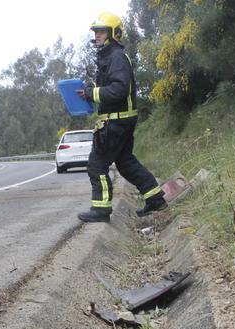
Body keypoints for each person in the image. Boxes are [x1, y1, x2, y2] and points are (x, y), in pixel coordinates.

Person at [76, 12, 168, 223]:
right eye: (96, 31)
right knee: (125, 163)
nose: (97, 35)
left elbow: (118, 89)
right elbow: (112, 88)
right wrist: (92, 91)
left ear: (113, 33)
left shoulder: (115, 57)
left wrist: (92, 93)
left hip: (115, 121)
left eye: (102, 31)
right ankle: (155, 199)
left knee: (96, 165)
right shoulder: (110, 56)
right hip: (121, 120)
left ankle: (101, 210)